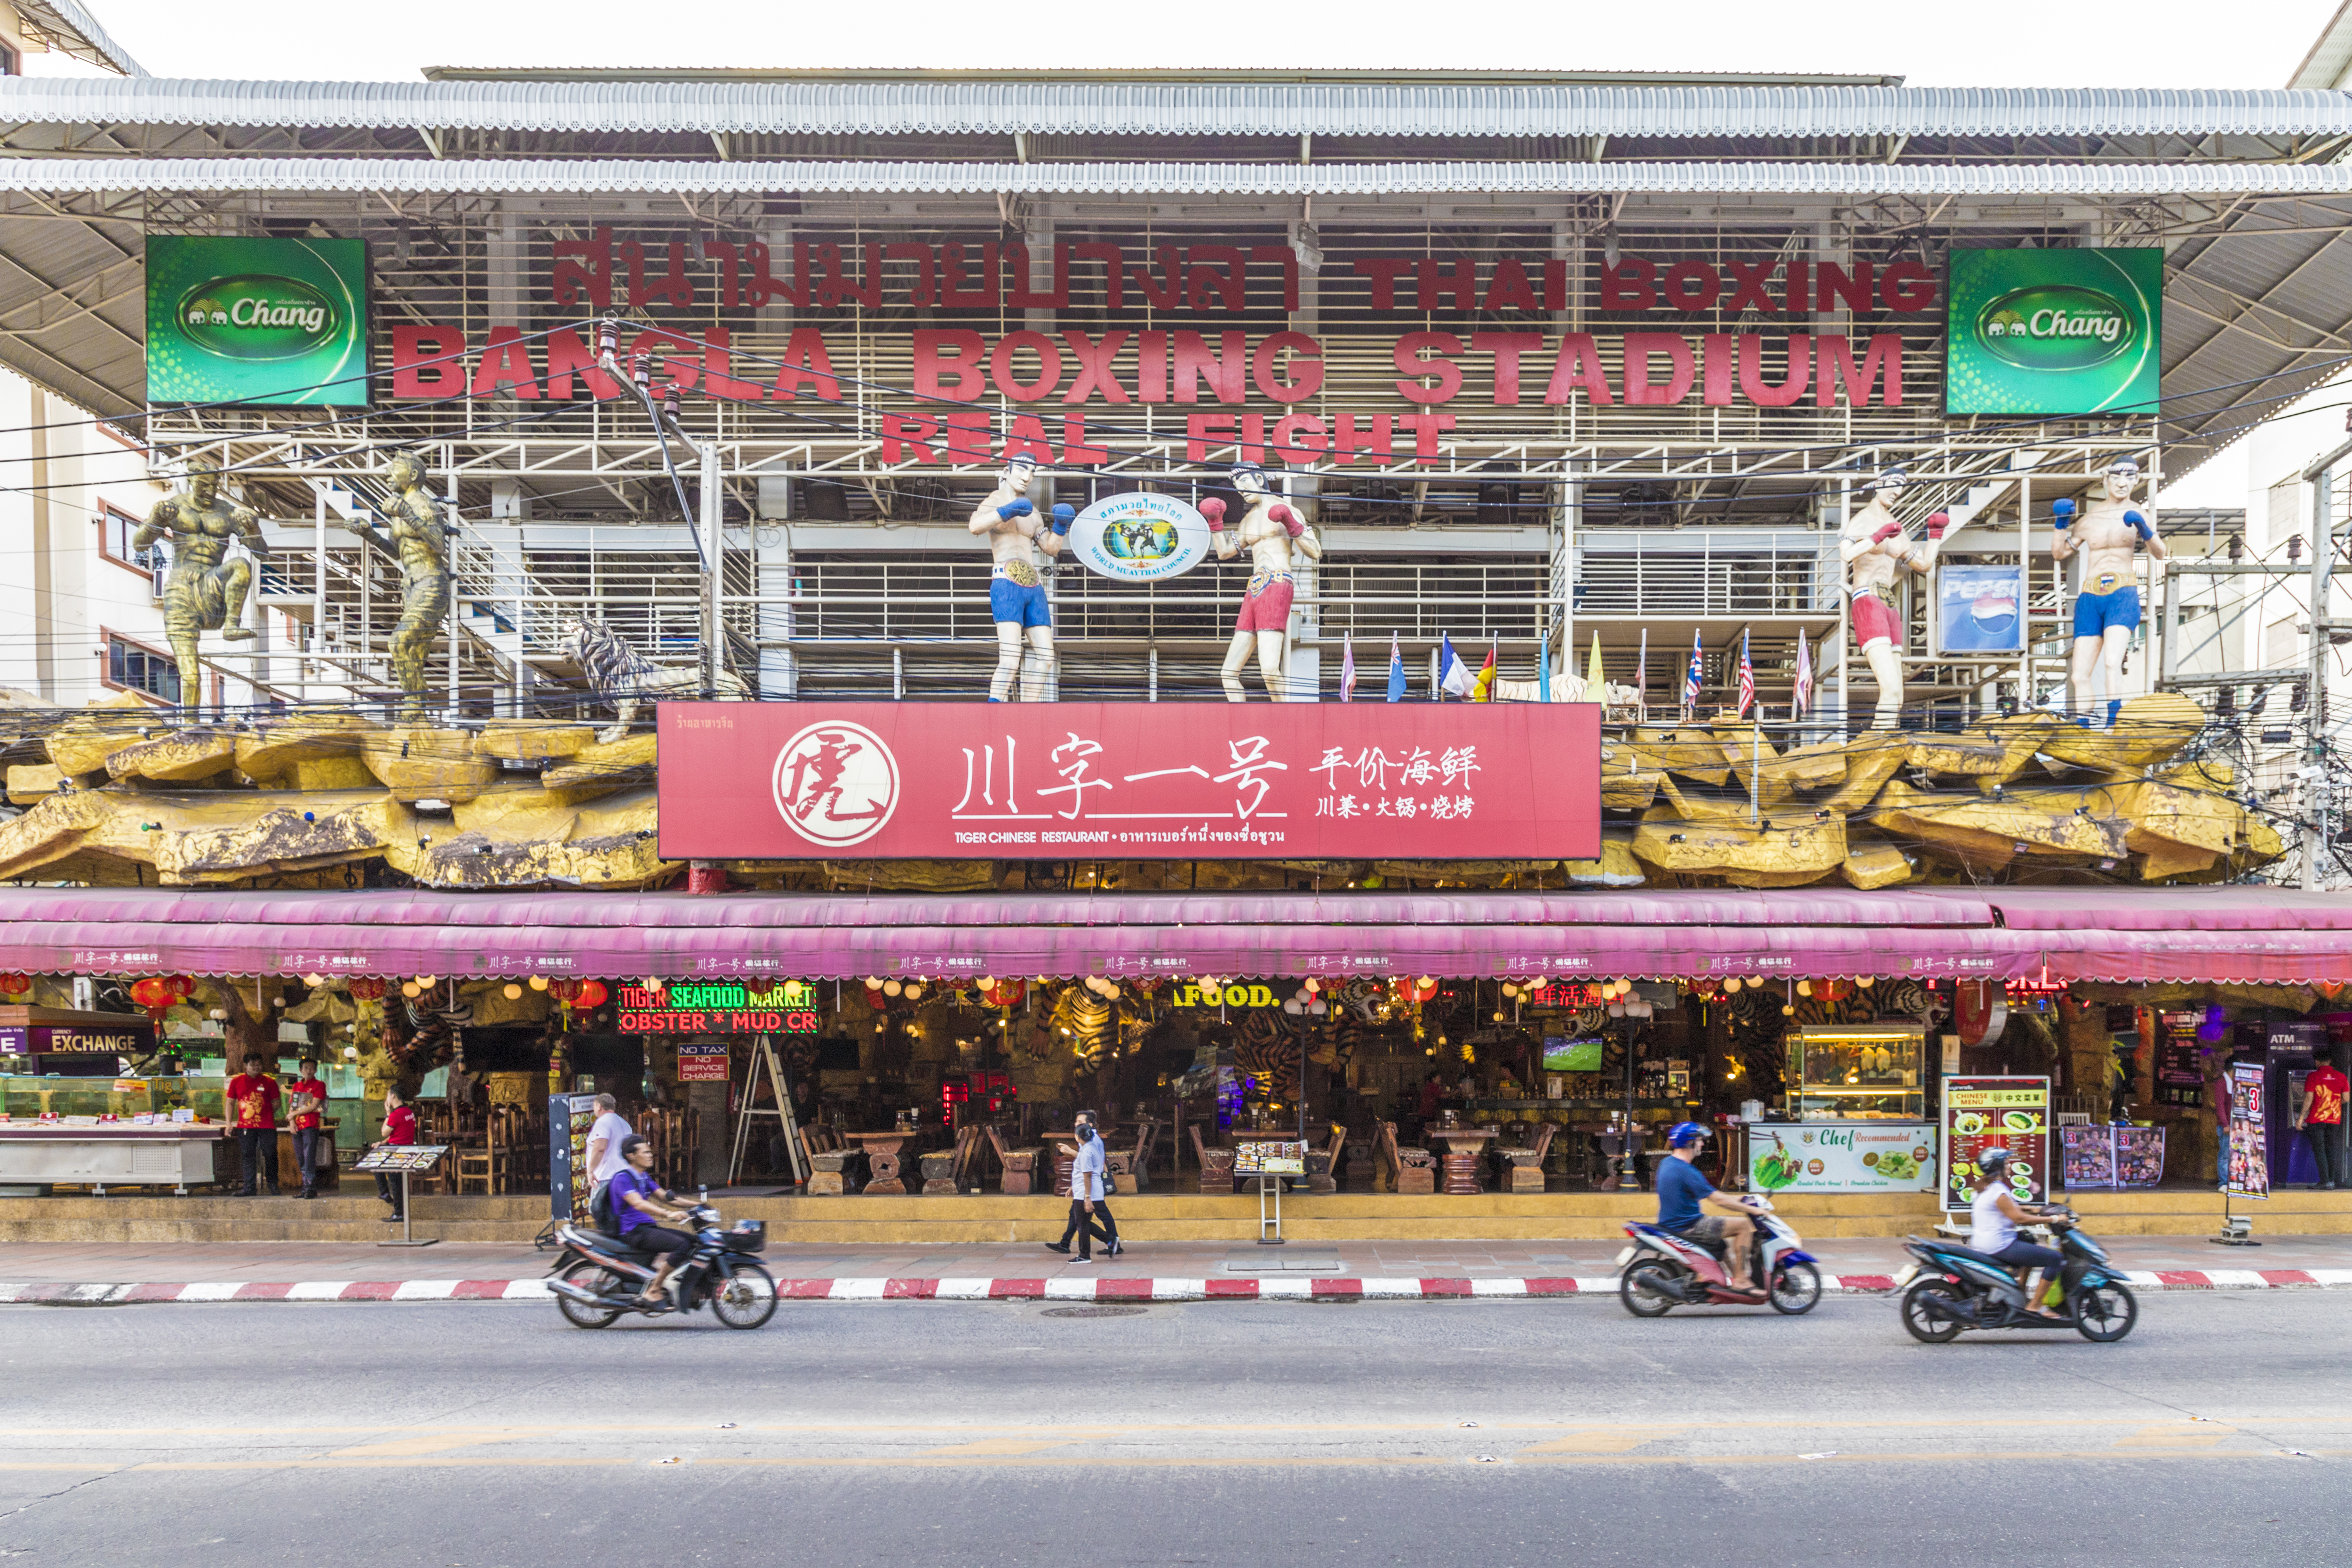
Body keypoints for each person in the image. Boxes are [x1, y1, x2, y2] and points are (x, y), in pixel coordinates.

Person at [2051, 456, 2168, 729]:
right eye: (2117, 477)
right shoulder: (2089, 519)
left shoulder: (2140, 512)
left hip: (2122, 592)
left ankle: (2113, 721)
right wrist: (2060, 524)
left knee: (2113, 661)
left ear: (2136, 481)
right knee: (2079, 675)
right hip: (2091, 595)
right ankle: (2084, 726)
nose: (2123, 483)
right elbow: (2060, 553)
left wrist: (2143, 527)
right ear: (2106, 480)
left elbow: (2160, 553)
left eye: (2130, 478)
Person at [1655, 1122, 1764, 1296]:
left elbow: (1714, 1195)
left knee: (1722, 1241)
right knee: (1743, 1225)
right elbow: (1718, 1200)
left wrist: (1741, 1200)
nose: (1703, 1144)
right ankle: (1742, 1280)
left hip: (1672, 1223)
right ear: (1690, 1143)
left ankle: (1733, 1277)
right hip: (1689, 1226)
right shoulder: (1686, 1170)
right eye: (1699, 1141)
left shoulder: (1667, 1164)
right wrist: (1755, 1211)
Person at [1968, 1148, 2065, 1320]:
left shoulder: (1982, 1187)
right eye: (2006, 1162)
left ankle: (2019, 1290)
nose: (2009, 1165)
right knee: (2054, 1259)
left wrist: (2034, 1209)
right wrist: (2054, 1219)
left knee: (2028, 1240)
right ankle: (2035, 1306)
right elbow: (2019, 1219)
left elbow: (2008, 1208)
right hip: (1999, 1245)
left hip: (1983, 1242)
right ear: (1997, 1167)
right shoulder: (1999, 1191)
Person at [609, 1133, 699, 1307]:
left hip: (647, 1228)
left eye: (650, 1152)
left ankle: (678, 1284)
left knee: (694, 1241)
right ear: (631, 1156)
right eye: (646, 1152)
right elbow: (638, 1204)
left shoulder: (643, 1177)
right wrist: (669, 1214)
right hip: (633, 1231)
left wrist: (697, 1205)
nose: (651, 1155)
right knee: (682, 1245)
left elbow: (666, 1197)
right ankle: (654, 1289)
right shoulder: (623, 1178)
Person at [1044, 1111, 1119, 1262]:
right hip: (1085, 1190)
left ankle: (1086, 1253)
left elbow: (1088, 1174)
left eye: (1080, 1123)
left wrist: (1087, 1197)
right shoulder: (1088, 1147)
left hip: (1088, 1191)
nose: (1076, 1125)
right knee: (1082, 1222)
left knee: (1083, 1223)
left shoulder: (1088, 1150)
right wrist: (1075, 1187)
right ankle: (1109, 1241)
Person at [224, 1055, 281, 1197]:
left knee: (270, 1154)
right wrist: (228, 1124)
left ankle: (273, 1184)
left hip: (267, 1126)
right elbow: (230, 1103)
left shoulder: (270, 1082)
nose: (256, 1067)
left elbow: (277, 1102)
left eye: (259, 1064)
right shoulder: (236, 1082)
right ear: (246, 1066)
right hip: (245, 1126)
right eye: (253, 1064)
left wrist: (264, 1113)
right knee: (248, 1156)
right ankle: (249, 1187)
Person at [2296, 1055, 2348, 1190]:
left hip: (2317, 1118)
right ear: (2330, 1061)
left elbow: (2309, 1098)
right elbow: (2346, 1098)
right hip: (2334, 1118)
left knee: (2320, 1150)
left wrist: (2301, 1117)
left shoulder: (2313, 1076)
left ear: (2317, 1062)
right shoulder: (2342, 1077)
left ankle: (2324, 1181)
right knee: (2331, 1149)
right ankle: (2331, 1181)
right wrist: (2334, 1104)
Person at [372, 1085, 417, 1222]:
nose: (387, 1098)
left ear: (393, 1096)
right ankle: (386, 1194)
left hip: (396, 1152)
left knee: (395, 1183)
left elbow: (385, 1131)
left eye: (387, 1095)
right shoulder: (409, 1111)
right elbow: (400, 1133)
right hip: (403, 1148)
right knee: (376, 1164)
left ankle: (398, 1211)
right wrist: (384, 1142)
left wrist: (387, 1113)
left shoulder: (396, 1114)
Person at [286, 1057, 328, 1201]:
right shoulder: (297, 1086)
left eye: (312, 1068)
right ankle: (305, 1188)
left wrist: (294, 1114)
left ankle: (310, 1188)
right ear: (300, 1070)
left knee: (309, 1157)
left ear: (316, 1070)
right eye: (306, 1068)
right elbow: (292, 1105)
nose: (309, 1071)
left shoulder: (319, 1085)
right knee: (300, 1158)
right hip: (297, 1127)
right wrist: (292, 1121)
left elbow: (314, 1106)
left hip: (311, 1126)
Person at [585, 1092, 633, 1185]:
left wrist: (591, 1171)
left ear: (599, 1106)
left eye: (594, 1106)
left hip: (605, 1176)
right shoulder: (625, 1124)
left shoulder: (602, 1122)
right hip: (623, 1175)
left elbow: (600, 1149)